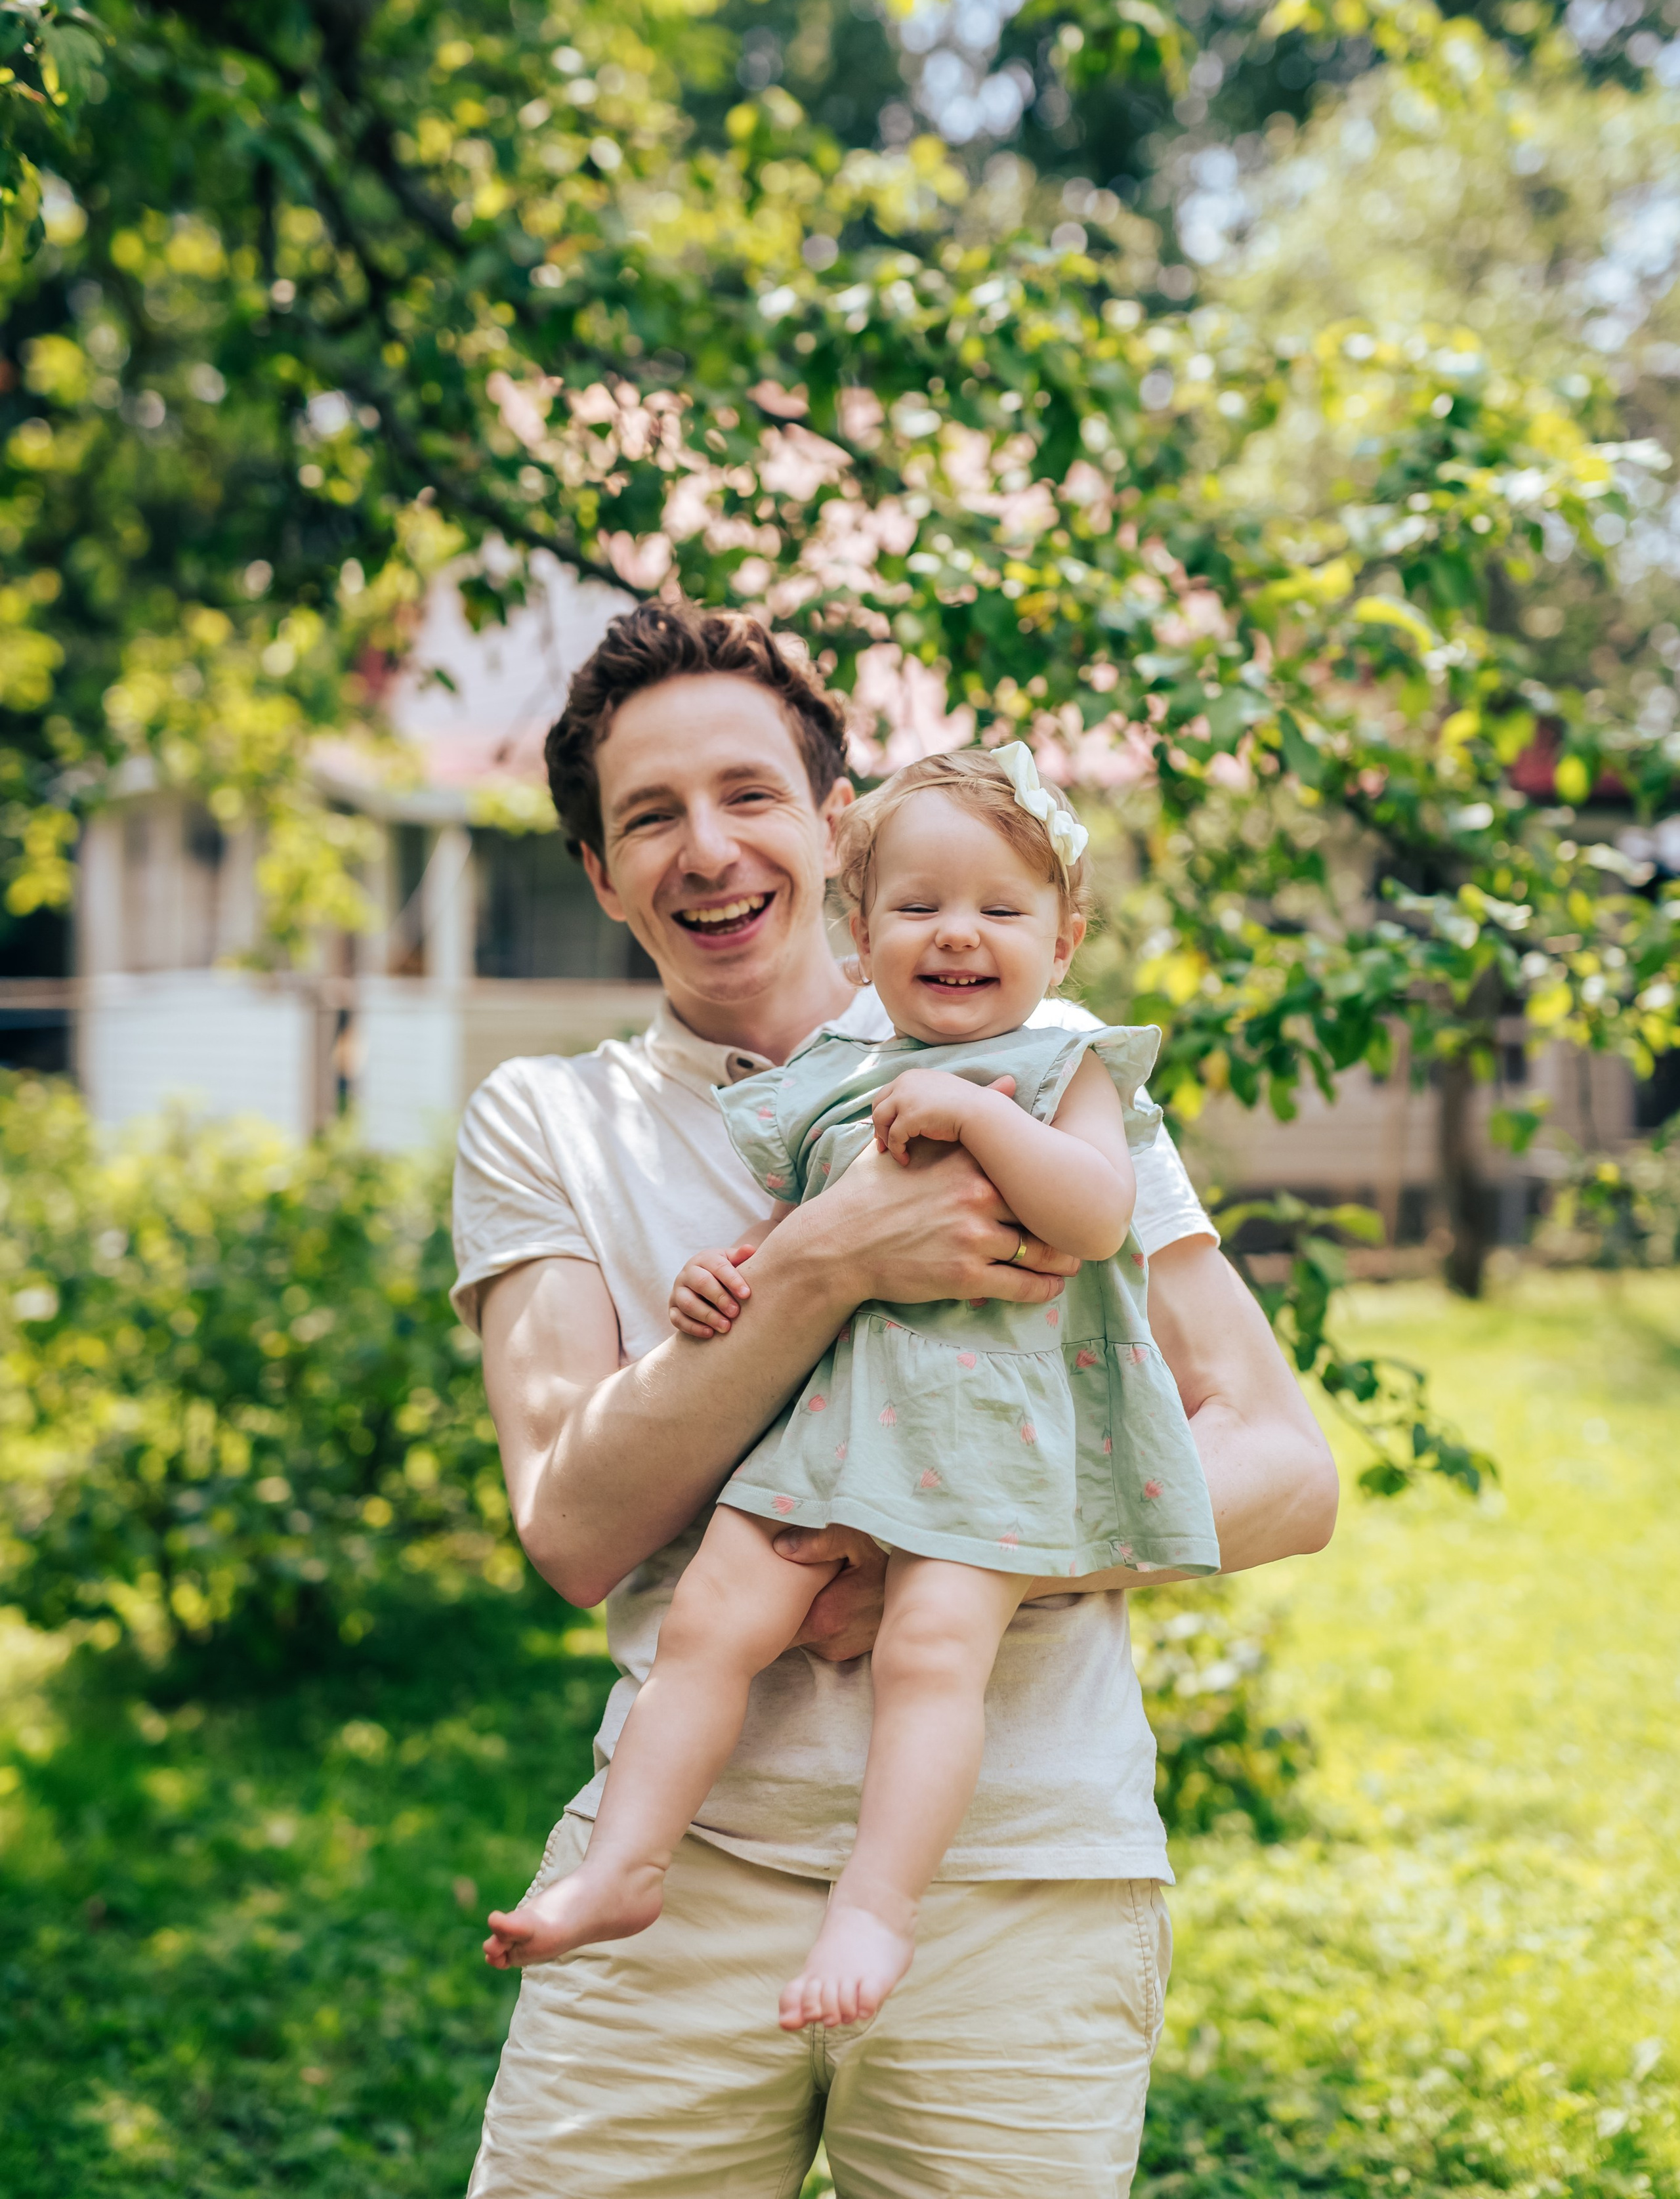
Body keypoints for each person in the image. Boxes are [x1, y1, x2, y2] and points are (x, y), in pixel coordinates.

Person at [452, 601, 1338, 2199]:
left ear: (831, 822)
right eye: (647, 818)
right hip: (690, 1877)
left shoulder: (1042, 1067)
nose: (706, 849)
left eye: (746, 794)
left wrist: (955, 1547)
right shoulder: (546, 1119)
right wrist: (827, 1260)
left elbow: (1283, 1465)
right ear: (597, 873)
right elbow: (574, 1525)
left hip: (1019, 1879)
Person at [481, 744, 1221, 2032]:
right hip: (828, 1431)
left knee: (931, 1654)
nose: (956, 934)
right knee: (708, 1622)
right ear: (859, 931)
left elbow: (1096, 1215)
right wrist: (726, 1278)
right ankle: (625, 1863)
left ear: (1062, 940)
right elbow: (795, 1234)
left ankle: (875, 1905)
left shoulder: (1068, 1066)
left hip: (985, 1441)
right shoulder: (828, 1083)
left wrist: (979, 1116)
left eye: (1000, 910)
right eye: (917, 906)